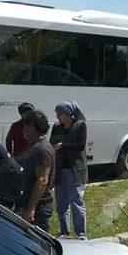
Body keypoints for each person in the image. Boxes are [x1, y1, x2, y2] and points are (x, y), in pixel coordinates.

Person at [50, 100, 88, 239]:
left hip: (75, 170)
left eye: (60, 114)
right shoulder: (56, 127)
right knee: (61, 203)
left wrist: (62, 145)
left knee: (76, 201)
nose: (57, 117)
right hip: (60, 170)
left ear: (68, 114)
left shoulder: (80, 125)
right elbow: (51, 144)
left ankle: (81, 233)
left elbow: (80, 146)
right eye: (57, 114)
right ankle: (64, 232)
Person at [21, 110, 55, 232]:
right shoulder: (35, 145)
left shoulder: (42, 149)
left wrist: (31, 208)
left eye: (26, 126)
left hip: (40, 207)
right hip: (31, 203)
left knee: (40, 245)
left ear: (35, 127)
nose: (23, 129)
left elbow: (42, 180)